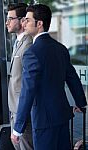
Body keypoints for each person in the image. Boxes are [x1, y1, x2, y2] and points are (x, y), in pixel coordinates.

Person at [11, 4, 87, 150]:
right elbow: (72, 77)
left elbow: (28, 91)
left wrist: (17, 128)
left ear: (39, 24)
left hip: (43, 122)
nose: (23, 23)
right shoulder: (60, 48)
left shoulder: (32, 53)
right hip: (62, 117)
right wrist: (80, 102)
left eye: (27, 20)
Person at [6, 3, 33, 150]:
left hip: (22, 111)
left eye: (11, 18)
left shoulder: (28, 44)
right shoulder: (18, 43)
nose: (7, 22)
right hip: (14, 109)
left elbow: (29, 84)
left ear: (22, 21)